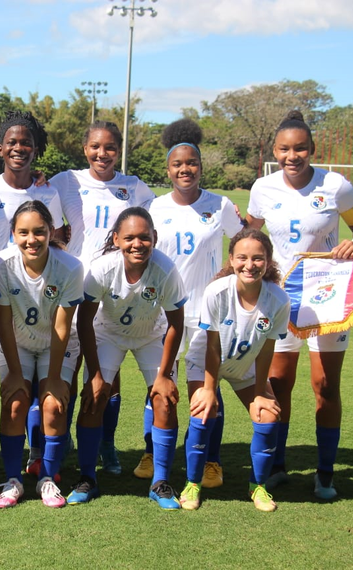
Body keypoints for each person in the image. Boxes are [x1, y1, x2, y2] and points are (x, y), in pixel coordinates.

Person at [245, 110, 353, 500]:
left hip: (326, 301)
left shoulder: (336, 186)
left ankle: (325, 474)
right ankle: (278, 467)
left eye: (300, 148)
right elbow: (250, 233)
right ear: (275, 151)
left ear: (312, 149)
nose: (292, 155)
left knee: (325, 386)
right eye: (285, 148)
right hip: (281, 301)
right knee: (278, 384)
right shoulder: (263, 188)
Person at [139, 119, 244, 486]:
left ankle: (211, 460)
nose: (185, 169)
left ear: (201, 166)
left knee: (204, 387)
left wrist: (228, 276)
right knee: (158, 383)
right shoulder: (154, 207)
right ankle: (153, 453)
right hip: (162, 313)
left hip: (205, 314)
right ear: (168, 169)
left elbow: (245, 241)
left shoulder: (221, 205)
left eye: (192, 163)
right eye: (177, 164)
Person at [50, 121, 156, 476]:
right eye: (96, 146)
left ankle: (106, 446)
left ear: (118, 150)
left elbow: (154, 228)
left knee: (106, 374)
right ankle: (62, 438)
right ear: (85, 148)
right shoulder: (66, 180)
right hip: (73, 286)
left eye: (110, 147)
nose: (102, 154)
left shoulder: (134, 187)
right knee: (68, 366)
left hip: (116, 291)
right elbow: (37, 205)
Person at [71, 207, 186, 508]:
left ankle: (160, 482)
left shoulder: (166, 270)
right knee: (94, 397)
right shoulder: (102, 269)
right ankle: (87, 478)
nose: (138, 244)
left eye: (144, 238)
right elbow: (85, 321)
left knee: (164, 398)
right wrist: (95, 373)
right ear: (116, 239)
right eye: (130, 237)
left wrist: (164, 375)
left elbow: (176, 323)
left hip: (151, 334)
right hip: (108, 333)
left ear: (154, 239)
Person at [179, 228, 289, 512]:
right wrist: (208, 389)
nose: (249, 265)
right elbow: (212, 347)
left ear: (268, 261)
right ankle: (193, 484)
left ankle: (258, 487)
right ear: (231, 259)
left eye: (257, 258)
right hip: (206, 362)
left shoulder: (278, 299)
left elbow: (266, 350)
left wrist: (262, 391)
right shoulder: (217, 291)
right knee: (204, 413)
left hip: (246, 366)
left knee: (266, 416)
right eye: (242, 257)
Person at [0, 111, 63, 463]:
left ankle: (35, 454)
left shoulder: (48, 192)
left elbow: (55, 240)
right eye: (12, 142)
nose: (19, 148)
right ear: (0, 148)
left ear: (36, 150)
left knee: (28, 382)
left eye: (26, 142)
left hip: (30, 301)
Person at [0, 201, 83, 509]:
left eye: (40, 232)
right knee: (15, 403)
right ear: (13, 234)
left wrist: (54, 379)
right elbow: (3, 323)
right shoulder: (0, 264)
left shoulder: (69, 267)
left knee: (53, 407)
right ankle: (13, 480)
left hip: (55, 345)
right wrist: (16, 373)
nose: (32, 240)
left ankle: (47, 478)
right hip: (15, 344)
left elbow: (62, 326)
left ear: (51, 231)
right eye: (23, 233)